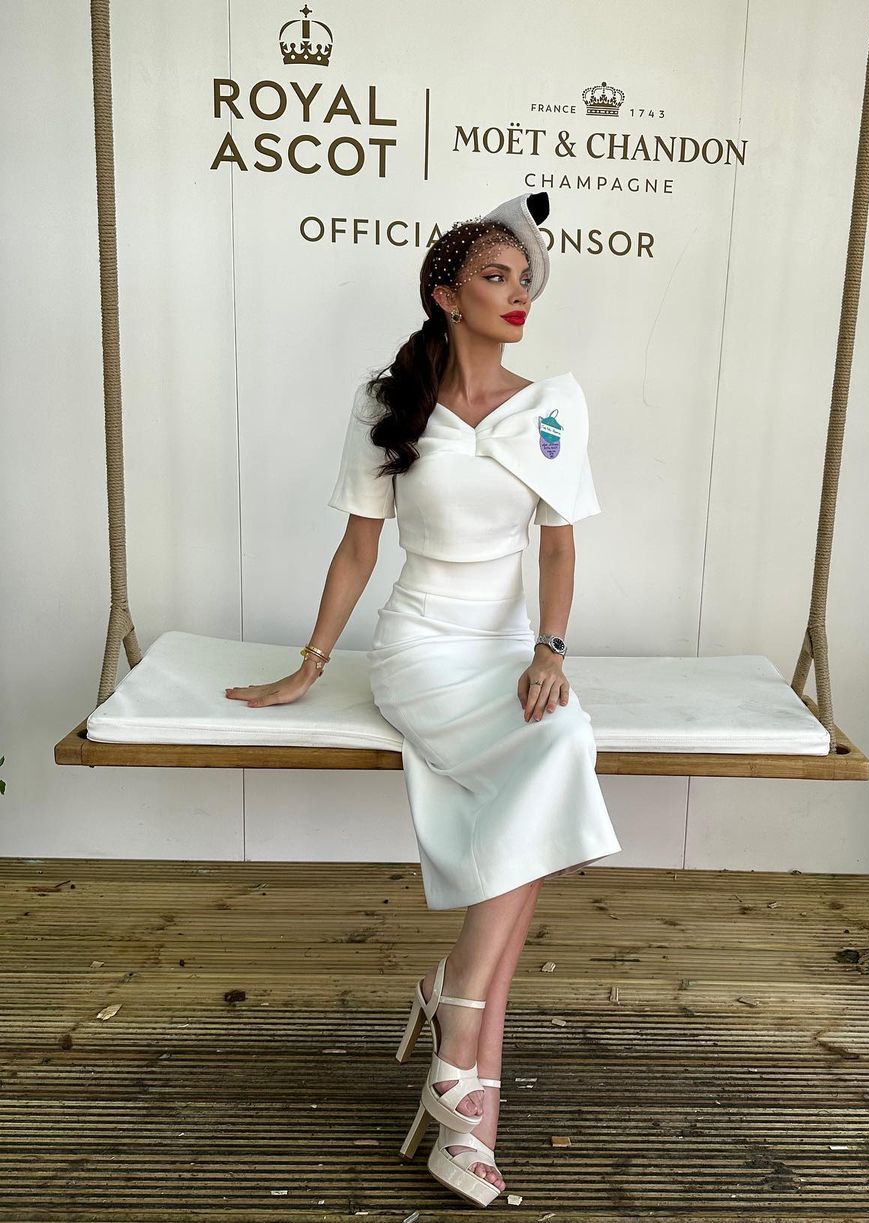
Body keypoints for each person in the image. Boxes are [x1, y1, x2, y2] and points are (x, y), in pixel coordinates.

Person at [224, 191, 622, 1206]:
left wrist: (549, 647)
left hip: (507, 647)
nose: (518, 294)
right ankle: (465, 1055)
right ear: (446, 294)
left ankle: (459, 1036)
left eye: (525, 279)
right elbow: (359, 547)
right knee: (541, 792)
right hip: (421, 649)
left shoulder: (552, 405)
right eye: (496, 276)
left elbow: (560, 546)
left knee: (560, 740)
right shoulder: (388, 403)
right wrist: (312, 661)